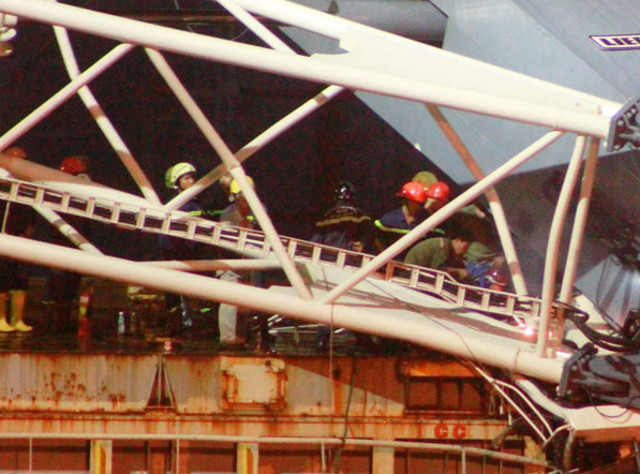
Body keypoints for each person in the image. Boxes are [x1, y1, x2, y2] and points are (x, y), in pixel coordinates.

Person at [42, 155, 92, 333]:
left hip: (69, 244)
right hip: (68, 244)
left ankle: (57, 322)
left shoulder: (64, 192)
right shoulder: (67, 194)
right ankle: (56, 322)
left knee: (64, 285)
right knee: (61, 284)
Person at [160, 162, 207, 332]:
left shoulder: (195, 203)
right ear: (176, 182)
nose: (192, 181)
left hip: (193, 253)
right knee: (174, 293)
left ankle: (199, 323)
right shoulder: (175, 205)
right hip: (177, 254)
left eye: (193, 177)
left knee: (198, 292)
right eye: (187, 178)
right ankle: (176, 325)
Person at [217, 176, 257, 347]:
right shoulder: (228, 215)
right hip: (230, 264)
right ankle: (228, 338)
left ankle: (242, 337)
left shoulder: (255, 213)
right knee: (229, 302)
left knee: (244, 304)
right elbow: (226, 242)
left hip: (247, 264)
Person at [0, 146, 36, 332]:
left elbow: (31, 213)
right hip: (4, 239)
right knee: (2, 280)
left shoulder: (27, 187)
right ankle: (1, 318)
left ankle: (17, 318)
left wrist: (29, 230)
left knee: (20, 281)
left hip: (19, 239)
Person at [310, 181, 374, 253]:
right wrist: (362, 243)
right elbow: (369, 230)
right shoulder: (358, 214)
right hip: (347, 257)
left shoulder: (326, 216)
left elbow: (316, 239)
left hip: (326, 255)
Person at [404, 228, 473, 281]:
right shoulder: (442, 247)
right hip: (412, 272)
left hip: (420, 273)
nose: (465, 250)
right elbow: (438, 270)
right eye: (465, 247)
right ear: (458, 241)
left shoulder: (449, 248)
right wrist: (458, 271)